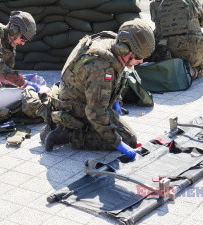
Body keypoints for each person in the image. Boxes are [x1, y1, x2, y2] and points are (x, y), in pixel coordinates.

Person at [42, 19, 155, 159]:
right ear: (125, 50)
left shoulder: (111, 42)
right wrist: (117, 143)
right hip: (78, 109)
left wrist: (115, 101)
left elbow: (115, 78)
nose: (141, 61)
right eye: (138, 57)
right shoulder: (101, 68)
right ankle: (69, 135)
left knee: (122, 131)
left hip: (80, 99)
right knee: (129, 139)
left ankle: (62, 126)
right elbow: (95, 111)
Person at [149, 0, 203, 79]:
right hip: (194, 54)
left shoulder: (155, 3)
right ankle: (193, 72)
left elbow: (157, 25)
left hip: (167, 56)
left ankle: (173, 71)